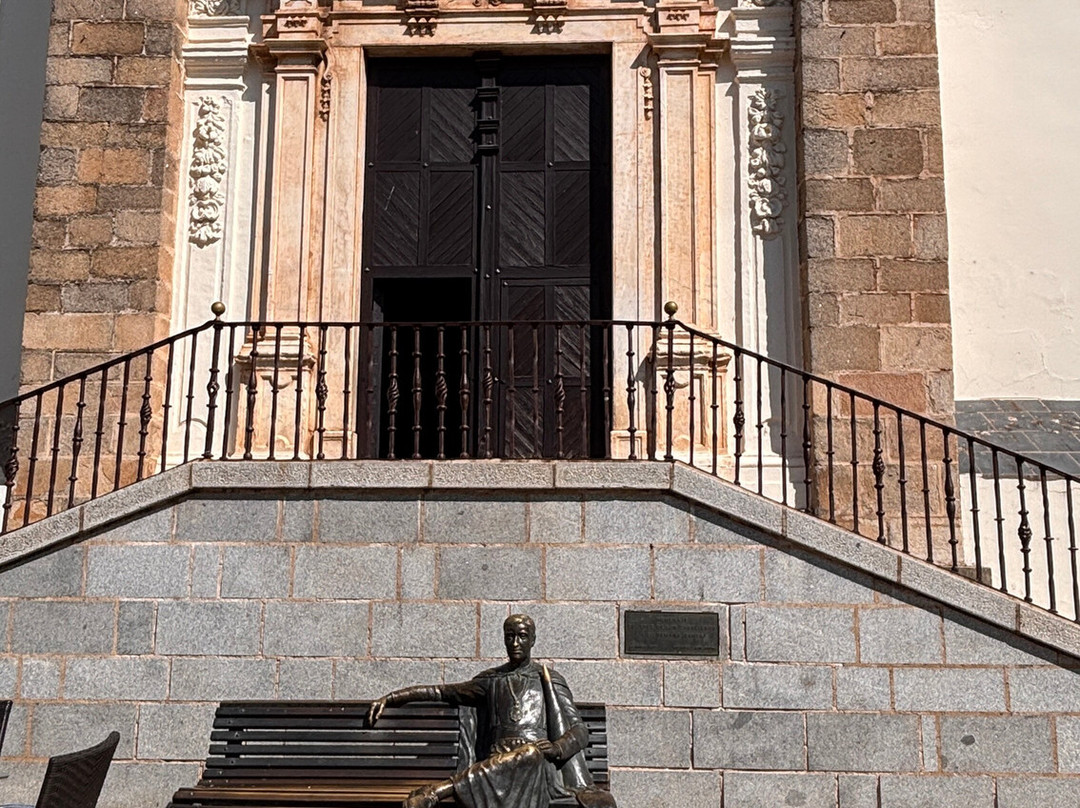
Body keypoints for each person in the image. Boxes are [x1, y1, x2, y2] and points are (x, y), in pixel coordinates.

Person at [366, 614, 616, 808]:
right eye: (510, 636)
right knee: (517, 758)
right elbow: (442, 692)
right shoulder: (491, 680)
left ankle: (438, 791)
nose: (515, 642)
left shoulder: (548, 679)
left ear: (532, 640)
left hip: (538, 768)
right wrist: (392, 697)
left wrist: (558, 747)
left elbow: (579, 730)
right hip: (496, 764)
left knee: (529, 753)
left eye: (521, 636)